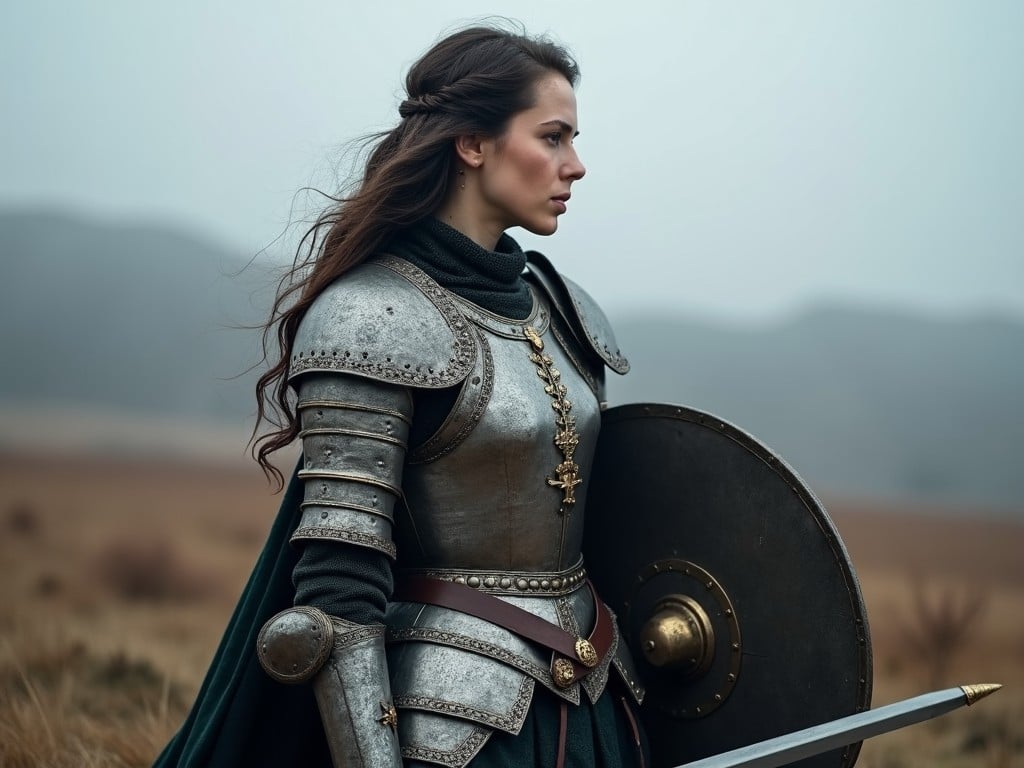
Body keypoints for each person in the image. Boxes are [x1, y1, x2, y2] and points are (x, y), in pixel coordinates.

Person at [154, 24, 647, 768]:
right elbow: (337, 591)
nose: (574, 166)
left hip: (599, 705)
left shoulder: (566, 311)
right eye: (552, 137)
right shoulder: (374, 320)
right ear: (472, 144)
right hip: (453, 724)